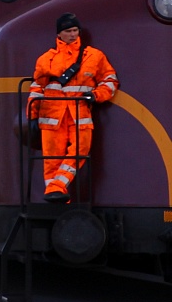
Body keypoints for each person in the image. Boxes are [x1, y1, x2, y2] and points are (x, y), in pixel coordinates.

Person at [27, 13, 119, 202]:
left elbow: (110, 80)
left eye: (75, 30)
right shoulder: (46, 60)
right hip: (52, 117)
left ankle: (56, 187)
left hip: (79, 114)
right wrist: (32, 115)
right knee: (51, 161)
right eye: (68, 31)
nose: (73, 35)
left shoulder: (94, 56)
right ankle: (57, 198)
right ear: (59, 34)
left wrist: (96, 95)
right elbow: (37, 87)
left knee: (80, 151)